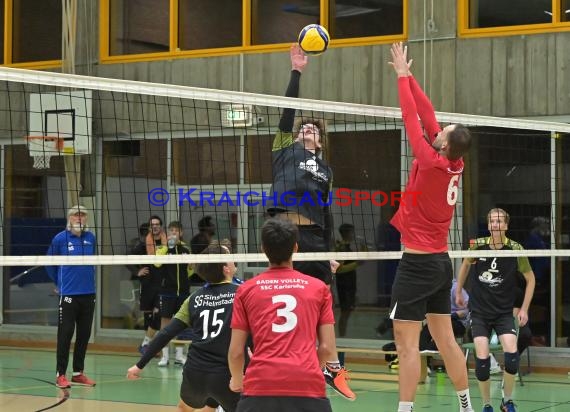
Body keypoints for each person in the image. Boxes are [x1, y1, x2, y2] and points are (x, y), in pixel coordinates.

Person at [387, 42, 474, 412]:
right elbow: (427, 112)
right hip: (440, 264)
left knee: (406, 344)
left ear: (444, 142)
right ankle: (466, 406)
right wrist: (408, 74)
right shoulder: (453, 163)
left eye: (442, 130)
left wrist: (400, 80)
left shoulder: (429, 158)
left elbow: (411, 116)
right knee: (446, 342)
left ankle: (404, 410)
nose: (437, 128)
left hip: (418, 265)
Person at [266, 43, 351, 398]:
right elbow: (288, 112)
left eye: (313, 131)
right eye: (304, 129)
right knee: (279, 299)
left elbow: (328, 214)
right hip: (282, 231)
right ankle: (274, 360)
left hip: (315, 238)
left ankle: (331, 367)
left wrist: (330, 252)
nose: (306, 132)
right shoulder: (285, 148)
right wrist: (296, 71)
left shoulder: (326, 170)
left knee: (322, 301)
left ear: (322, 140)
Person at [228, 219, 355, 412]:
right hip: (308, 385)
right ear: (296, 247)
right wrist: (309, 368)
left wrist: (237, 380)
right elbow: (327, 348)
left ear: (262, 249)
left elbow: (236, 352)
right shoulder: (318, 288)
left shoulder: (245, 290)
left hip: (261, 385)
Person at [127, 244, 240, 412]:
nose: (234, 259)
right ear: (226, 269)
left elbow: (166, 332)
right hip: (226, 374)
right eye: (230, 256)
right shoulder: (242, 294)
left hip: (195, 372)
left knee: (187, 407)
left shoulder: (194, 298)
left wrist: (139, 365)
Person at [455, 208, 535, 412]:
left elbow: (530, 279)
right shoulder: (478, 246)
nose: (495, 224)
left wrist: (524, 309)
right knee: (482, 361)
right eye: (492, 221)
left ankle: (506, 401)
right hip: (479, 312)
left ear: (506, 225)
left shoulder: (515, 248)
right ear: (488, 224)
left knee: (512, 356)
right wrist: (458, 292)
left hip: (503, 313)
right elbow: (465, 265)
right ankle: (487, 404)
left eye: (499, 221)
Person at [46, 205, 97, 389]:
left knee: (84, 335)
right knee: (65, 335)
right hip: (68, 295)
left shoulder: (91, 238)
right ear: (70, 218)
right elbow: (49, 264)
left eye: (83, 215)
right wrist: (59, 284)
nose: (80, 218)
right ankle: (61, 374)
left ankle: (78, 373)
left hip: (89, 294)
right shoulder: (60, 238)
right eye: (76, 215)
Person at [155, 221, 192, 366]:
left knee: (181, 323)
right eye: (171, 231)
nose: (173, 234)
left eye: (176, 231)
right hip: (167, 291)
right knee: (165, 323)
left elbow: (190, 269)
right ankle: (164, 356)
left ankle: (179, 355)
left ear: (181, 233)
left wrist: (187, 273)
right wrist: (166, 247)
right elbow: (157, 264)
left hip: (182, 291)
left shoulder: (186, 249)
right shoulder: (163, 249)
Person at [132, 215, 167, 354]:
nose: (155, 226)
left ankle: (146, 344)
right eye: (152, 224)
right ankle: (148, 347)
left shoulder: (167, 243)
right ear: (149, 227)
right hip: (148, 284)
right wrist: (137, 271)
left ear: (161, 226)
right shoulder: (142, 243)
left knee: (159, 314)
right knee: (148, 317)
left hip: (163, 285)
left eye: (157, 224)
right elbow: (127, 258)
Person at [335, 223, 366, 337]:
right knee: (345, 313)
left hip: (350, 282)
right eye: (352, 232)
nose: (353, 234)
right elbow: (339, 269)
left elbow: (361, 260)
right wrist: (356, 264)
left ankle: (343, 336)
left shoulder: (346, 246)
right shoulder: (342, 248)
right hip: (344, 283)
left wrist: (363, 248)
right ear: (347, 233)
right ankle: (342, 338)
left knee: (347, 312)